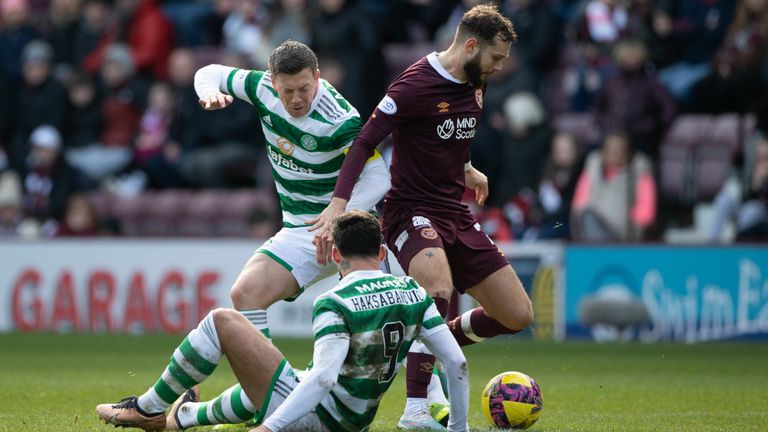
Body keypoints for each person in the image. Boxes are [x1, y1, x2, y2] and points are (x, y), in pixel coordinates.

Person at [309, 5, 533, 430]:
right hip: (409, 209)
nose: (500, 67)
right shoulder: (414, 85)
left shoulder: (475, 81)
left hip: (455, 212)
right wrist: (339, 203)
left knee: (516, 315)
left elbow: (450, 134)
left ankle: (426, 338)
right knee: (437, 286)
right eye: (496, 57)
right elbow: (363, 143)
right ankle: (416, 410)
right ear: (470, 45)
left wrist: (466, 169)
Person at [173, 40, 390, 428]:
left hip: (338, 229)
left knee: (402, 321)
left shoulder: (339, 118)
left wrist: (337, 214)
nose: (296, 99)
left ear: (317, 77)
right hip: (299, 228)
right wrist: (209, 93)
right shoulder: (260, 87)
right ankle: (271, 395)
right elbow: (208, 73)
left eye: (304, 88)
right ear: (273, 82)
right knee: (246, 293)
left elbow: (379, 175)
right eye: (287, 90)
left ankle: (425, 407)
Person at [95, 210, 469, 432]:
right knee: (283, 374)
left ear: (335, 253)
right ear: (383, 252)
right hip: (355, 421)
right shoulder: (413, 292)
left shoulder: (335, 300)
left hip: (319, 422)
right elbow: (456, 361)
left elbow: (324, 378)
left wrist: (270, 428)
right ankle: (185, 416)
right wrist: (459, 428)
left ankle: (147, 408)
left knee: (222, 321)